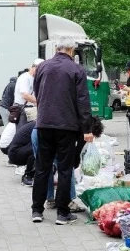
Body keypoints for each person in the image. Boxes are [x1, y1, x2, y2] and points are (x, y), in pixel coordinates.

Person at [30, 38, 93, 225]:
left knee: (42, 167)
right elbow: (83, 101)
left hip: (44, 123)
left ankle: (37, 210)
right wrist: (87, 128)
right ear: (72, 50)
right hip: (66, 125)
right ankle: (62, 213)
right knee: (65, 169)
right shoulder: (76, 70)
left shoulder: (43, 66)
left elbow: (37, 92)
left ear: (57, 49)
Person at [14, 60, 44, 126]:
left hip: (31, 109)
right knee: (22, 129)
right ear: (35, 67)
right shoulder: (24, 78)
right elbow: (25, 95)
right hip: (23, 109)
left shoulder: (35, 79)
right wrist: (40, 102)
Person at [8, 121, 36, 186]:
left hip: (20, 150)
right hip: (15, 153)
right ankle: (28, 176)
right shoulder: (39, 125)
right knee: (36, 149)